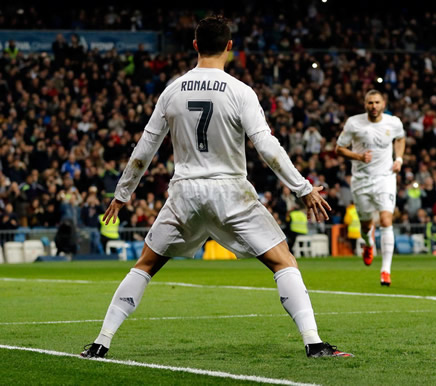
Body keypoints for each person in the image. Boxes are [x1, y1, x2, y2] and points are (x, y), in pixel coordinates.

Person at [81, 16, 353, 359]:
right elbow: (267, 147)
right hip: (230, 192)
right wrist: (303, 188)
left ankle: (101, 343)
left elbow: (144, 149)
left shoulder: (172, 91)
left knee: (146, 265)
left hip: (185, 192)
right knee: (283, 262)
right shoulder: (241, 92)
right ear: (230, 47)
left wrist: (121, 196)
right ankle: (314, 343)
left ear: (195, 46)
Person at [335, 89, 406, 286]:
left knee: (385, 220)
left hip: (385, 178)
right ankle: (369, 243)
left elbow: (400, 139)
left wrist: (399, 159)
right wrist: (358, 157)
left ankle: (386, 271)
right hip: (361, 180)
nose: (373, 106)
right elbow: (338, 149)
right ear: (365, 105)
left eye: (376, 102)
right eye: (370, 103)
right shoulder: (354, 123)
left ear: (383, 104)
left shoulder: (394, 123)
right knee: (366, 225)